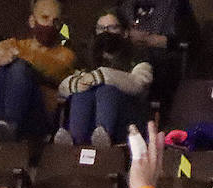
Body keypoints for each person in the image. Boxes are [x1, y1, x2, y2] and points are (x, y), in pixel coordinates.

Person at [0, 0, 76, 141]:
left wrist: (14, 55)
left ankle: (10, 123)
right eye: (45, 18)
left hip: (37, 117)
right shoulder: (16, 44)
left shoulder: (65, 54)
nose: (51, 24)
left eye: (56, 21)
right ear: (32, 21)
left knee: (20, 67)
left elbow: (54, 69)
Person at [55, 9, 152, 148]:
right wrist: (78, 83)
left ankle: (103, 135)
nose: (106, 32)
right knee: (82, 93)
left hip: (126, 119)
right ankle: (74, 140)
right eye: (101, 28)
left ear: (124, 32)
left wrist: (100, 76)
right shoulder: (87, 58)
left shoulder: (138, 56)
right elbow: (62, 87)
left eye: (112, 27)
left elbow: (139, 83)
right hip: (90, 119)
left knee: (106, 90)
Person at [119, 0, 198, 111]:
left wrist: (149, 39)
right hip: (128, 63)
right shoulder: (125, 7)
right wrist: (127, 36)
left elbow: (190, 42)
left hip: (164, 66)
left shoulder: (178, 5)